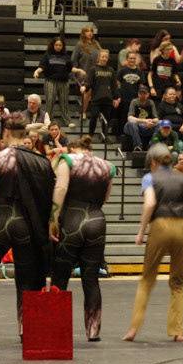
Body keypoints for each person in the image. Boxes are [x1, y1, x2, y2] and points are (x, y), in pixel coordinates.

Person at [0, 114, 55, 345]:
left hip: (2, 220)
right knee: (25, 279)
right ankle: (26, 330)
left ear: (5, 133)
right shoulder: (41, 161)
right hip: (27, 224)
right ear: (25, 135)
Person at [123, 142, 183, 342]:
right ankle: (177, 331)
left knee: (147, 279)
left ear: (152, 162)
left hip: (160, 225)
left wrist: (141, 232)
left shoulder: (149, 178)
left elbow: (150, 203)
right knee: (177, 281)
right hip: (182, 225)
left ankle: (134, 328)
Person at [50, 135, 113, 342]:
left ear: (72, 150)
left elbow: (60, 189)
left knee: (60, 276)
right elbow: (105, 198)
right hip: (96, 220)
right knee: (91, 278)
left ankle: (56, 329)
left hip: (72, 220)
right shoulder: (107, 166)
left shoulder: (67, 160)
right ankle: (93, 331)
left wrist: (53, 219)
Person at [33, 37, 73, 125]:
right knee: (50, 102)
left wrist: (80, 71)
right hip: (51, 81)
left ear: (63, 46)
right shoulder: (47, 55)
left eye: (60, 45)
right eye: (56, 45)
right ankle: (48, 120)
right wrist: (37, 71)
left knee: (64, 102)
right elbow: (42, 67)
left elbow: (71, 68)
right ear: (53, 45)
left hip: (64, 82)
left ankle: (67, 121)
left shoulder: (66, 56)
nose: (58, 47)